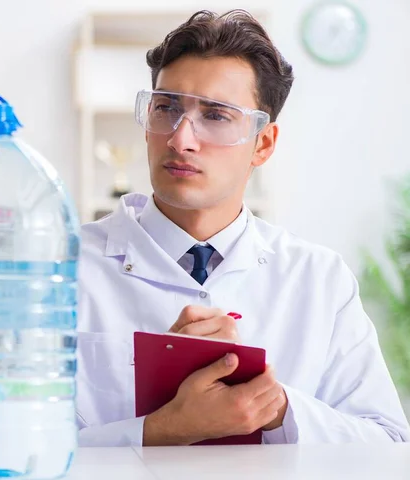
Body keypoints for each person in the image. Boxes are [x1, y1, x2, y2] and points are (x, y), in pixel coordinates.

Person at [76, 9, 410, 447]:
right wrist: (159, 432)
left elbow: (388, 447)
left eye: (215, 115)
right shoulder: (59, 268)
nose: (180, 139)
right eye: (166, 108)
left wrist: (278, 409)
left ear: (263, 143)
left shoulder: (319, 278)